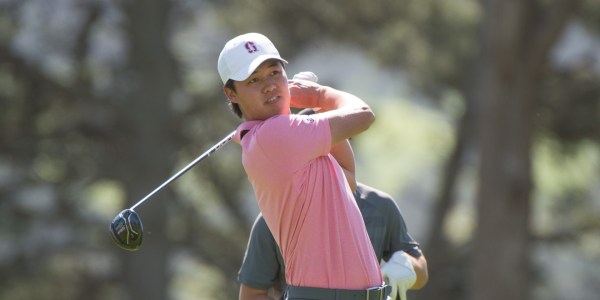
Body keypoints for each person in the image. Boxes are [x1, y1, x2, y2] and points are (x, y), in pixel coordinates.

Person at [218, 32, 388, 299]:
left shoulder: (286, 140)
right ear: (232, 94)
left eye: (274, 73)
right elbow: (363, 116)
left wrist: (314, 113)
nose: (269, 85)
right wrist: (318, 95)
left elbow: (348, 179)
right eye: (254, 80)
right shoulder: (274, 135)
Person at [238, 181, 429, 300]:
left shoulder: (380, 206)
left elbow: (422, 274)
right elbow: (251, 294)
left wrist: (407, 265)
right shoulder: (275, 217)